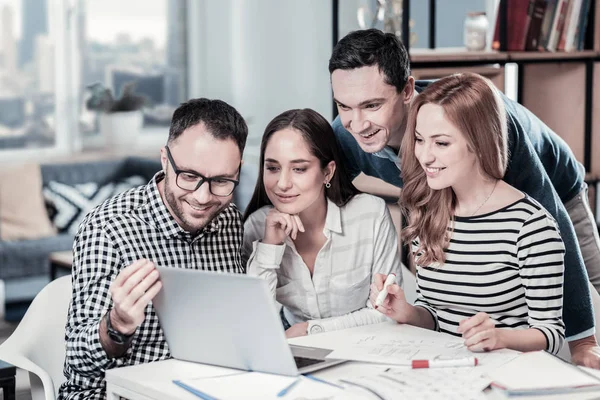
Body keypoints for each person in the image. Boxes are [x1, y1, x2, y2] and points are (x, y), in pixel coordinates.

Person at [329, 28, 600, 367]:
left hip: (557, 189)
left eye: (372, 105)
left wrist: (583, 343)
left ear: (407, 91)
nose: (357, 123)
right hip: (457, 204)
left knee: (593, 294)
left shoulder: (486, 131)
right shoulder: (347, 133)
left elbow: (552, 221)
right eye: (344, 106)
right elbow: (331, 196)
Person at [59, 98, 248, 399]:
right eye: (189, 176)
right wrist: (117, 324)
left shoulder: (231, 223)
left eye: (222, 181)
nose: (202, 197)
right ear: (164, 159)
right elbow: (79, 364)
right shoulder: (109, 228)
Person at [371, 73, 565, 354]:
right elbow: (435, 315)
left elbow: (552, 335)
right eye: (420, 140)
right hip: (445, 370)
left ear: (479, 142)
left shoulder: (531, 227)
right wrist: (406, 312)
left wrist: (501, 338)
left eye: (441, 143)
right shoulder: (429, 211)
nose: (425, 156)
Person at [243, 108, 402, 338]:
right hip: (293, 351)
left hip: (365, 348)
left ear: (328, 172)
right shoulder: (258, 226)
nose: (282, 183)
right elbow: (253, 323)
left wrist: (311, 330)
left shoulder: (370, 215)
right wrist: (270, 247)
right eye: (273, 168)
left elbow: (387, 312)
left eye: (299, 169)